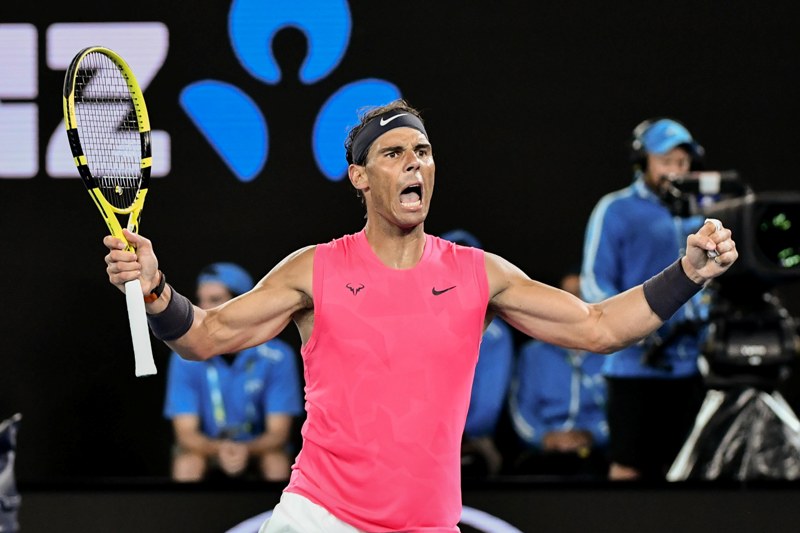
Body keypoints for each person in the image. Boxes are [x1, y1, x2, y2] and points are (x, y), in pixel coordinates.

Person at [103, 100, 737, 532]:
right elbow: (207, 337)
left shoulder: (478, 273)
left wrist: (687, 274)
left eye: (424, 151)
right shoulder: (314, 270)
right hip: (320, 518)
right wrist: (157, 291)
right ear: (359, 176)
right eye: (394, 153)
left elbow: (599, 329)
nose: (415, 163)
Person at [581, 117, 712, 481]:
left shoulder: (700, 213)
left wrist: (704, 313)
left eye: (682, 162)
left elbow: (713, 284)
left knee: (689, 472)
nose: (676, 170)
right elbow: (595, 284)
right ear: (644, 163)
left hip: (689, 371)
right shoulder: (615, 209)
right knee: (628, 468)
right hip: (633, 370)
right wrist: (633, 326)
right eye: (666, 160)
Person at [163, 262, 304, 482]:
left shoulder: (278, 356)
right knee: (188, 463)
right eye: (200, 300)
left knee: (275, 462)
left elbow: (278, 434)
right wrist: (219, 450)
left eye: (215, 301)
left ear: (240, 304)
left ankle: (276, 518)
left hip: (258, 448)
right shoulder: (185, 356)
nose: (203, 310)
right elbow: (186, 435)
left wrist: (246, 450)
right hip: (207, 448)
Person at [508, 267, 609, 479]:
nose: (577, 305)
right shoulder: (533, 354)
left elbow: (620, 413)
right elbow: (521, 410)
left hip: (597, 454)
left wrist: (593, 435)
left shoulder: (613, 353)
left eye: (582, 296)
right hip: (543, 452)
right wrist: (544, 438)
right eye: (568, 297)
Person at [440, 229, 515, 479]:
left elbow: (489, 400)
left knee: (476, 466)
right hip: (419, 436)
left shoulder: (495, 333)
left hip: (471, 438)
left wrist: (462, 435)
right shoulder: (411, 319)